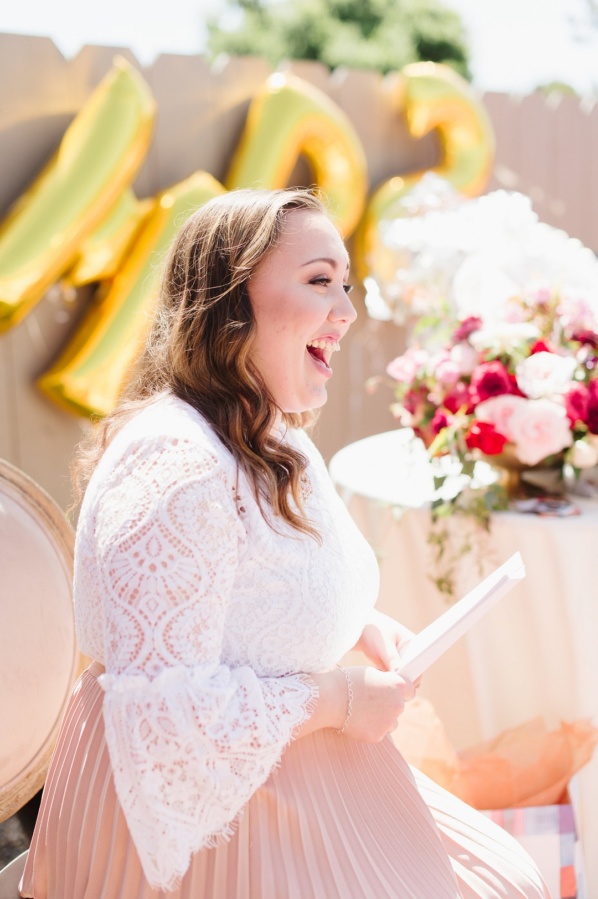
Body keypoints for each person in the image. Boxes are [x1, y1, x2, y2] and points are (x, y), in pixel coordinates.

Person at [20, 188, 550, 898]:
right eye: (319, 280)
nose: (346, 312)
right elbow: (165, 719)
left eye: (346, 285)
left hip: (311, 777)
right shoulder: (176, 464)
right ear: (231, 300)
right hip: (218, 825)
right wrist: (337, 699)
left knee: (510, 877)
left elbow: (259, 585)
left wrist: (358, 624)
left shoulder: (269, 431)